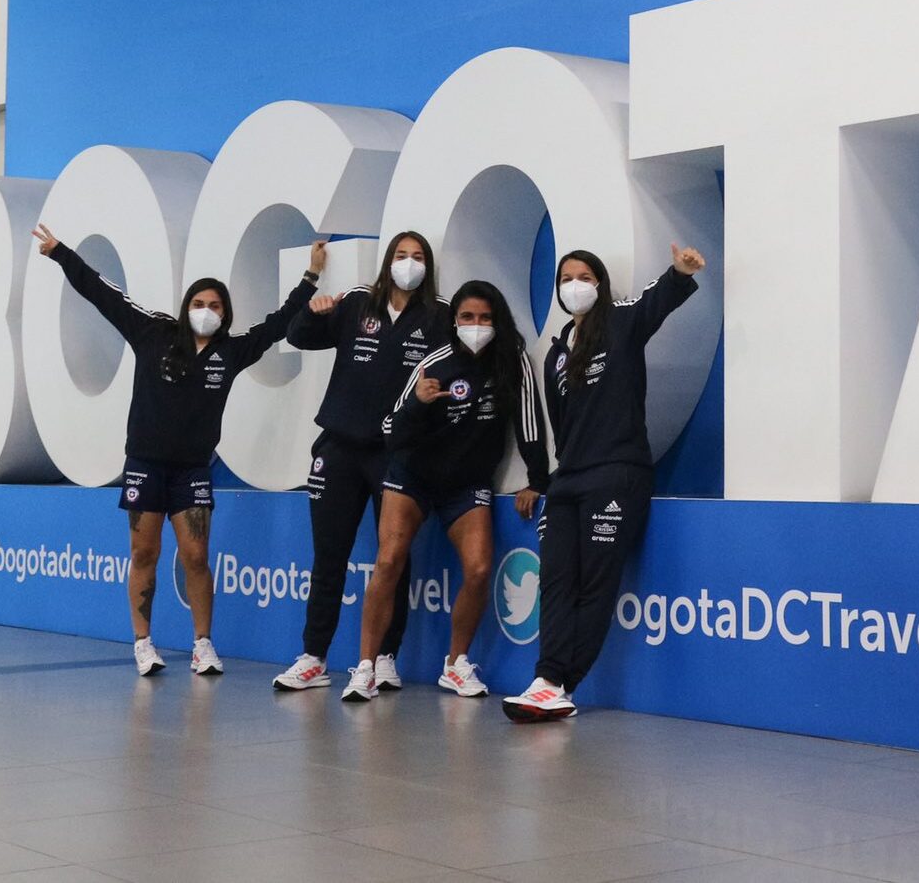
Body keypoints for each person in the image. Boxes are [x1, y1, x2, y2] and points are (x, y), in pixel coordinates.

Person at [31, 224, 322, 676]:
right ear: (187, 307)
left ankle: (203, 644)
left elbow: (277, 325)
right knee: (144, 555)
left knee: (196, 557)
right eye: (199, 304)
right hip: (144, 465)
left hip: (192, 472)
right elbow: (103, 294)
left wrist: (310, 279)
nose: (206, 312)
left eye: (215, 306)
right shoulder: (153, 332)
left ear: (225, 314)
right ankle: (143, 644)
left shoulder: (232, 351)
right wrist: (60, 253)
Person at [503, 244, 707, 722]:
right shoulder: (555, 354)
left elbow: (657, 300)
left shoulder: (620, 320)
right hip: (568, 481)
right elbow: (562, 429)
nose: (575, 284)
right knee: (554, 582)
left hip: (618, 474)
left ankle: (560, 684)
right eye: (566, 277)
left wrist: (679, 272)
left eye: (585, 276)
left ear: (599, 283)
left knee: (595, 583)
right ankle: (544, 678)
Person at [343, 280, 548, 701]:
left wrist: (538, 478)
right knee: (389, 559)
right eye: (468, 317)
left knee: (477, 569)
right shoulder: (434, 364)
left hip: (467, 484)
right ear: (454, 321)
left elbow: (529, 423)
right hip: (412, 475)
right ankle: (365, 666)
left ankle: (455, 664)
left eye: (485, 318)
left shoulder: (513, 360)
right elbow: (391, 433)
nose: (477, 325)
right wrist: (419, 402)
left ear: (498, 321)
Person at [271, 232, 446, 693]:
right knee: (329, 555)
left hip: (398, 454)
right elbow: (298, 336)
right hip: (341, 449)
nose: (408, 264)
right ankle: (314, 657)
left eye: (418, 257)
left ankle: (386, 657)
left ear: (428, 266)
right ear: (387, 261)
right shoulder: (356, 302)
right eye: (401, 255)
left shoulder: (440, 316)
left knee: (394, 558)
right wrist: (312, 311)